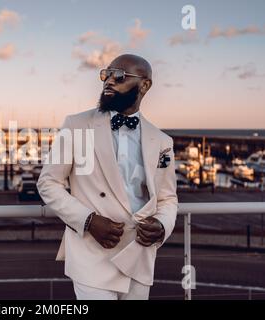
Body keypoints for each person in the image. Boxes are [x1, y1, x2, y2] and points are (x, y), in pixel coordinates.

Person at [37, 54, 178, 300]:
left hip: (139, 254)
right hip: (92, 254)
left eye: (119, 76)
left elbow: (167, 198)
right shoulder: (77, 125)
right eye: (106, 74)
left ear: (144, 85)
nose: (109, 81)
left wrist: (163, 225)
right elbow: (49, 183)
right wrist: (89, 221)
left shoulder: (162, 141)